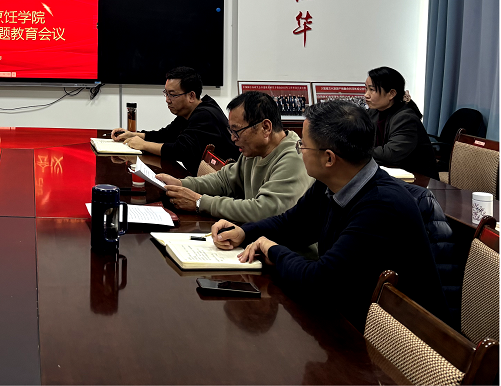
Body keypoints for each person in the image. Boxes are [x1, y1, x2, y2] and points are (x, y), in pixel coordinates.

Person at [211, 100, 445, 331]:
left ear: (329, 158)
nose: (299, 151)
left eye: (303, 145)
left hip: (405, 340)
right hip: (353, 315)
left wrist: (272, 250)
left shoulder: (381, 206)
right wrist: (244, 233)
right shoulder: (332, 183)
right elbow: (293, 224)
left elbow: (319, 282)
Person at [155, 91, 312, 222]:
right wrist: (181, 183)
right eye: (231, 131)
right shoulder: (254, 151)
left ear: (265, 127)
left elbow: (264, 210)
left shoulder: (294, 158)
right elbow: (224, 180)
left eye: (237, 131)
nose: (233, 138)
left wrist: (200, 203)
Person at [111, 66, 236, 174]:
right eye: (166, 93)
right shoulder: (189, 112)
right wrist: (133, 134)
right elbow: (166, 135)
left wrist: (143, 145)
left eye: (172, 94)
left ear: (191, 96)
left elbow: (180, 151)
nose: (167, 100)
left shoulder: (205, 115)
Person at [364, 66, 437, 176]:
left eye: (372, 90)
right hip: (386, 173)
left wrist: (357, 151)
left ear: (391, 94)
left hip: (416, 178)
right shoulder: (373, 112)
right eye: (366, 89)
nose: (366, 95)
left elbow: (390, 154)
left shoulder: (406, 118)